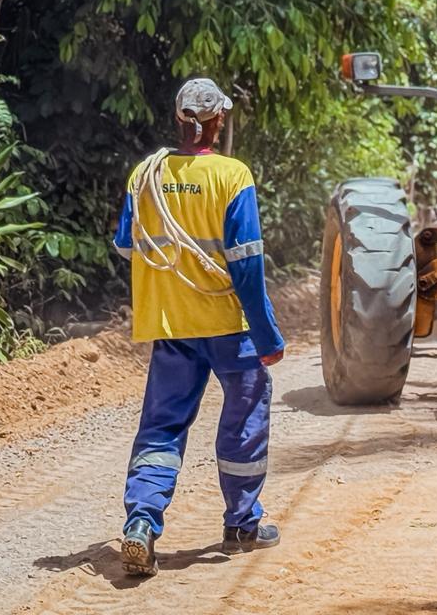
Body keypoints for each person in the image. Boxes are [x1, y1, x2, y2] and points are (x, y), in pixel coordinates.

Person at [112, 78, 285, 576]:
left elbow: (127, 245)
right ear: (219, 121)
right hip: (229, 326)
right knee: (245, 416)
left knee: (162, 429)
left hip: (171, 326)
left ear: (177, 118)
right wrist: (268, 335)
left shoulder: (145, 176)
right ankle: (243, 524)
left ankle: (141, 524)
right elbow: (247, 264)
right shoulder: (233, 176)